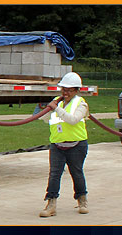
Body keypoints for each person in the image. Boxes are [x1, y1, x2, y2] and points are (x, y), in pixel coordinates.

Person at [37, 72, 90, 217]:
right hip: (57, 146)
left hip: (77, 145)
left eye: (69, 90)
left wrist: (56, 108)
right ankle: (51, 204)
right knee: (54, 174)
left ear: (76, 90)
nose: (65, 92)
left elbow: (73, 120)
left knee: (76, 173)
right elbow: (44, 118)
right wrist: (44, 109)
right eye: (64, 89)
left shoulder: (81, 104)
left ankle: (82, 200)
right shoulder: (57, 102)